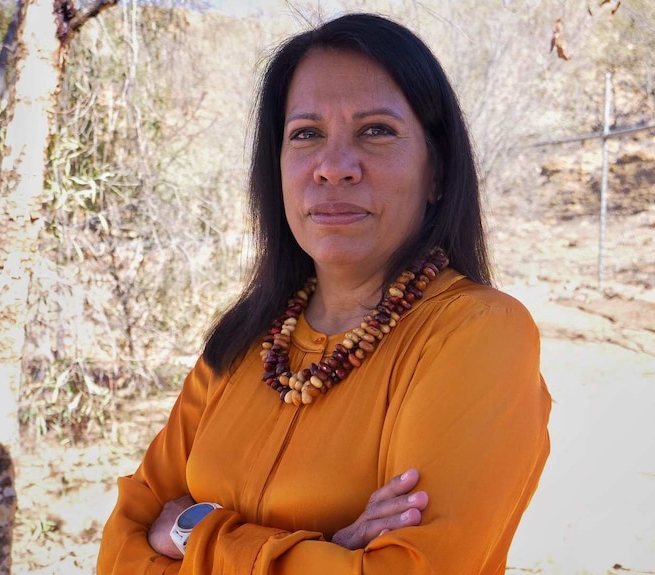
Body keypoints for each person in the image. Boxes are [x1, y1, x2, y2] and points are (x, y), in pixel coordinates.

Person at [98, 12, 551, 575]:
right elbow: (122, 547)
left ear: (436, 171)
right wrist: (329, 550)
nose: (334, 168)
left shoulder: (478, 333)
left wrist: (192, 529)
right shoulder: (245, 340)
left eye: (376, 131)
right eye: (306, 133)